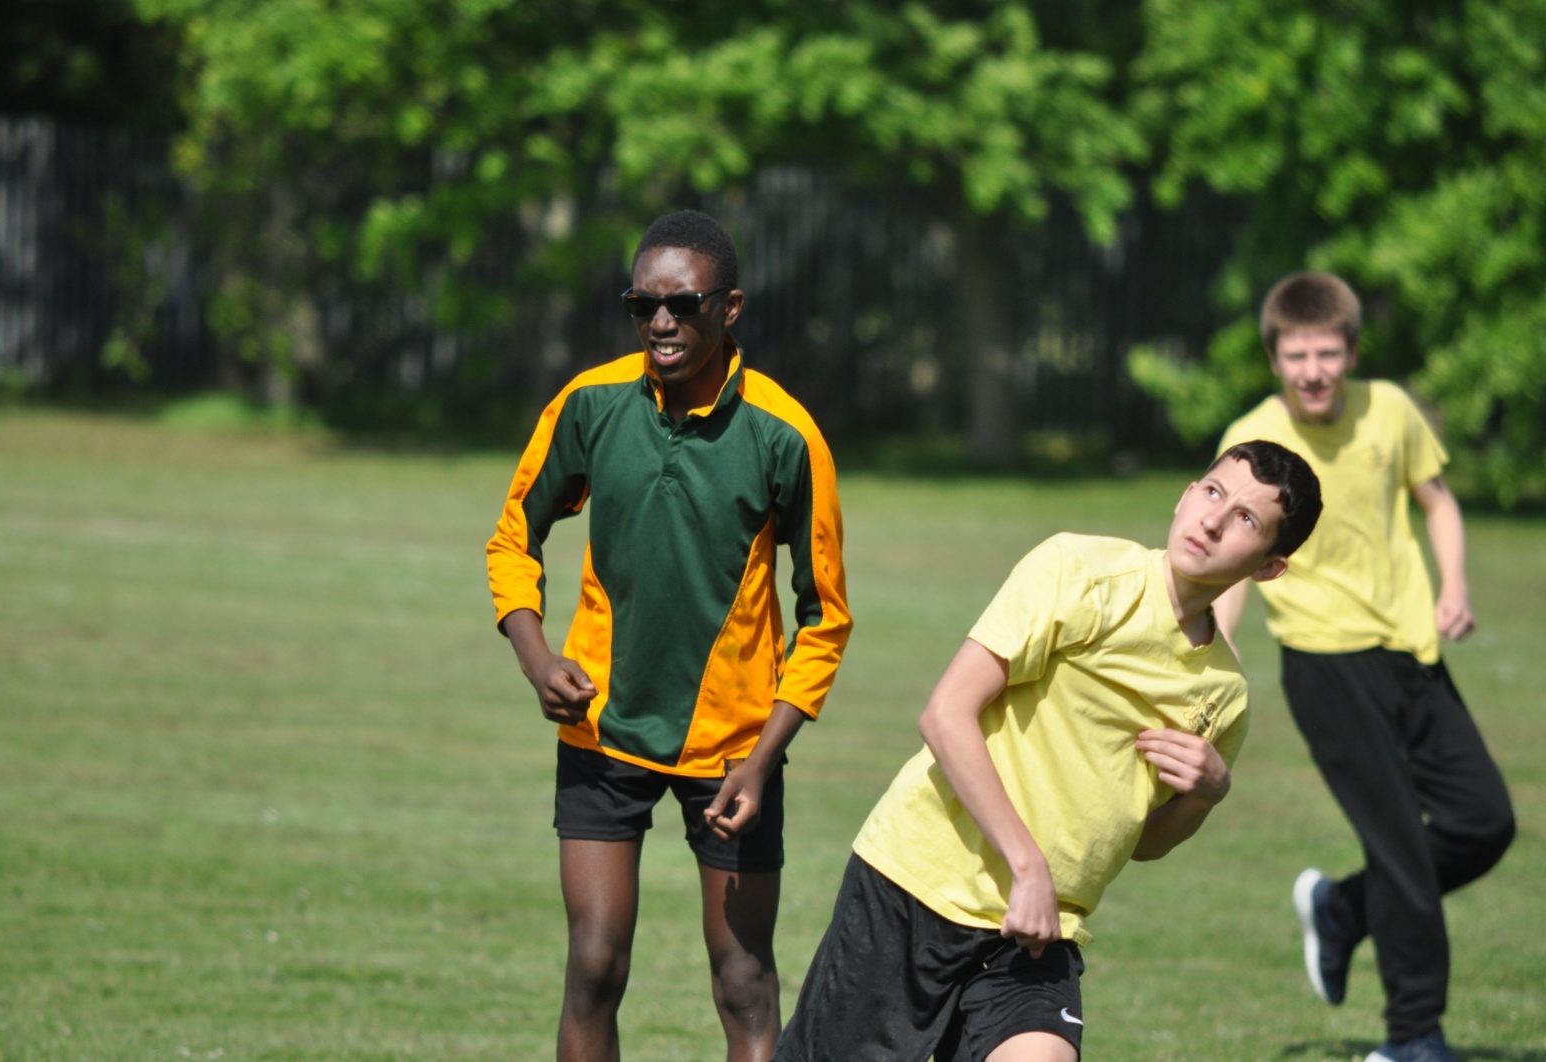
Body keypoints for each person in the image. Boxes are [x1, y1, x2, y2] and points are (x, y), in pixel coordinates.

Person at [775, 440, 1322, 1062]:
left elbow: (1142, 841)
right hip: (918, 884)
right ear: (1185, 495)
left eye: (1246, 518)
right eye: (1213, 492)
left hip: (1037, 932)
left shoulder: (1224, 694)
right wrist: (1029, 868)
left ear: (1269, 568)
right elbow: (946, 715)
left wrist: (1205, 796)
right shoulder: (1080, 571)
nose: (1214, 521)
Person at [486, 209, 852, 1062]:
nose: (660, 322)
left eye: (682, 305)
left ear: (730, 308)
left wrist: (763, 759)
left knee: (744, 981)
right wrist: (536, 658)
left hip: (733, 751)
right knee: (593, 968)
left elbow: (824, 617)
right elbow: (513, 537)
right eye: (641, 304)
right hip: (602, 729)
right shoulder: (590, 403)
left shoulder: (787, 436)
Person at [1215, 272, 1515, 1062]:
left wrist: (1454, 586)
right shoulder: (1252, 441)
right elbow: (1231, 555)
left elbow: (1438, 502)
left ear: (1350, 352)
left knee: (1486, 821)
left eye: (1326, 353)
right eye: (1296, 355)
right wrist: (1219, 644)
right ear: (1274, 358)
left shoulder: (1390, 410)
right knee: (1402, 850)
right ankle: (1412, 1038)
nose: (1312, 370)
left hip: (1412, 651)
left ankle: (1343, 909)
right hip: (1324, 664)